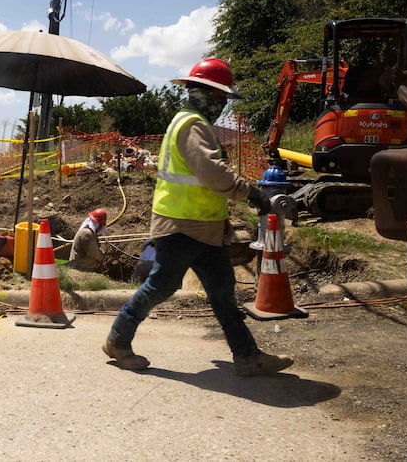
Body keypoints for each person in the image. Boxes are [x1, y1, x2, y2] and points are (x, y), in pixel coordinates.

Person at [103, 58, 294, 377]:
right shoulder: (191, 124)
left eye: (223, 99)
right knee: (161, 286)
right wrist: (251, 193)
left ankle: (247, 356)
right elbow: (212, 172)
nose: (221, 105)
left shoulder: (194, 122)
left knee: (223, 292)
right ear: (202, 94)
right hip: (181, 225)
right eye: (219, 98)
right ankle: (118, 340)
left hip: (205, 227)